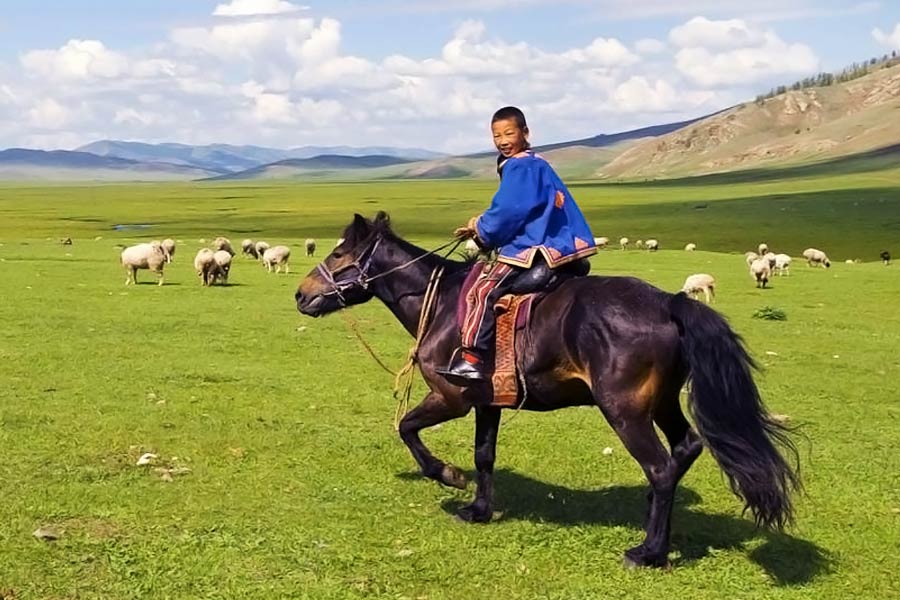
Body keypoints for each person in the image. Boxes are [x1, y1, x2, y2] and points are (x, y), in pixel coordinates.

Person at [436, 106, 597, 385]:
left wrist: (481, 231)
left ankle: (472, 358)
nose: (502, 140)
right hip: (559, 244)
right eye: (496, 135)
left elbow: (510, 211)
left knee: (483, 289)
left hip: (536, 246)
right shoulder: (535, 162)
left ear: (525, 132)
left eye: (509, 133)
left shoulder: (520, 165)